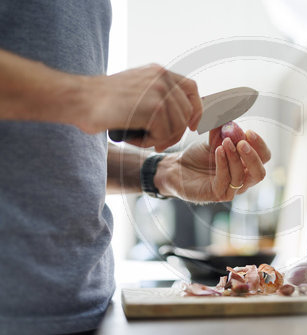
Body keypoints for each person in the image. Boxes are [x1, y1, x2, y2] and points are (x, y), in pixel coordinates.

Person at [0, 1, 270, 334]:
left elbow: (57, 147)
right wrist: (84, 95)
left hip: (89, 310)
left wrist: (165, 171)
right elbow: (77, 103)